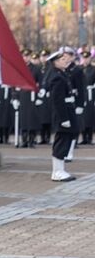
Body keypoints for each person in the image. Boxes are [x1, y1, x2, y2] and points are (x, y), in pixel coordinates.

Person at [46, 49, 77, 182]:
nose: (66, 61)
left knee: (66, 140)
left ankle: (60, 170)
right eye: (63, 60)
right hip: (63, 114)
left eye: (66, 59)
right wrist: (64, 119)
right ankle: (57, 172)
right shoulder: (57, 77)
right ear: (55, 63)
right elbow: (57, 101)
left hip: (67, 111)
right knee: (61, 141)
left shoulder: (61, 74)